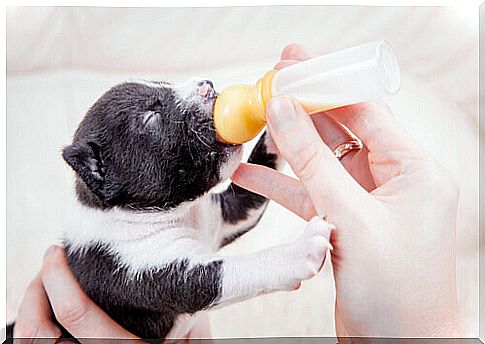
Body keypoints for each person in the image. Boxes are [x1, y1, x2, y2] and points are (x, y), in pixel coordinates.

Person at [11, 44, 463, 339]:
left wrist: (273, 145)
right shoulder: (116, 252)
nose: (202, 90)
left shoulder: (171, 213)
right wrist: (288, 262)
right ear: (99, 173)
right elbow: (197, 285)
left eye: (168, 89)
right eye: (152, 119)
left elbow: (237, 208)